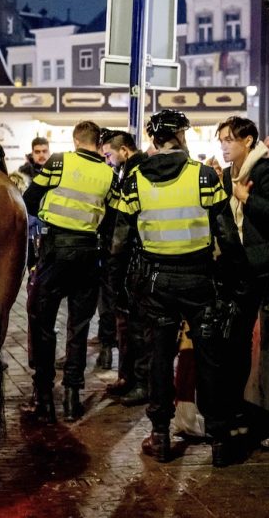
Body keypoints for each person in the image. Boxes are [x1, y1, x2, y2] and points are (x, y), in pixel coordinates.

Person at [114, 109, 244, 467]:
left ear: (155, 140)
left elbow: (119, 242)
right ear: (179, 137)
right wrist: (236, 278)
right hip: (199, 280)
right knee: (208, 359)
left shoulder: (135, 179)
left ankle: (159, 435)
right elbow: (227, 234)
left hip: (155, 283)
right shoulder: (203, 176)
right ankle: (219, 439)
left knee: (159, 357)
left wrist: (119, 289)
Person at [22, 120, 118, 423]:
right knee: (79, 326)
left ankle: (45, 395)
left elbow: (29, 199)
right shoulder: (109, 172)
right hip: (90, 252)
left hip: (55, 249)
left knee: (43, 321)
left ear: (76, 140)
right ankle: (73, 396)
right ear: (97, 142)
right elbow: (112, 216)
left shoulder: (60, 161)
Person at [217, 115, 269, 452]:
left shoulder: (268, 171)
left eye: (229, 140)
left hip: (264, 258)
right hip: (238, 259)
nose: (223, 146)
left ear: (247, 141)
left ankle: (234, 410)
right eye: (220, 140)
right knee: (227, 334)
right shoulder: (227, 174)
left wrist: (246, 197)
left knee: (236, 333)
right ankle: (229, 406)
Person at [99, 130, 150, 405]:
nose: (108, 160)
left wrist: (115, 258)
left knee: (138, 324)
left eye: (109, 154)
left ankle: (141, 382)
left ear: (125, 151)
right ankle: (127, 376)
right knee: (126, 322)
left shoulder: (136, 174)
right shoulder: (127, 173)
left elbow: (125, 224)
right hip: (128, 258)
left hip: (134, 258)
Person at [15, 137, 51, 274]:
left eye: (44, 151)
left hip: (51, 225)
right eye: (38, 151)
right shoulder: (22, 172)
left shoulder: (58, 170)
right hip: (30, 228)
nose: (41, 155)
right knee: (32, 269)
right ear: (32, 152)